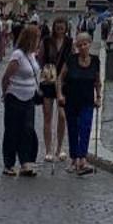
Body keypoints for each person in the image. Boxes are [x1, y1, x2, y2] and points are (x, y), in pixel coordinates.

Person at [0, 23, 44, 176]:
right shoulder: (17, 55)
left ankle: (26, 162)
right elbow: (6, 77)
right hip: (15, 96)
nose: (39, 41)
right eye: (37, 38)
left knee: (28, 130)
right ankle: (9, 164)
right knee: (12, 130)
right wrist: (5, 93)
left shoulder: (32, 55)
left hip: (30, 96)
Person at [61, 32, 102, 173]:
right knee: (73, 129)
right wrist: (60, 95)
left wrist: (98, 97)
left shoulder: (95, 61)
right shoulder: (71, 59)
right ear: (77, 46)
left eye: (85, 44)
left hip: (87, 101)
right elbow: (60, 78)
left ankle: (82, 159)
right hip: (71, 100)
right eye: (80, 45)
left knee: (85, 128)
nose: (83, 47)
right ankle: (73, 159)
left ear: (90, 44)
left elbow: (97, 81)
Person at [41, 18, 72, 163]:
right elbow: (40, 58)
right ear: (54, 27)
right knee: (47, 115)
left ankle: (60, 148)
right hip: (48, 80)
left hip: (64, 82)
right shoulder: (47, 41)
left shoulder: (69, 42)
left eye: (62, 27)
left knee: (62, 116)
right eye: (57, 27)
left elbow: (73, 59)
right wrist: (45, 70)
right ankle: (48, 150)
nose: (60, 29)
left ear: (65, 28)